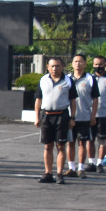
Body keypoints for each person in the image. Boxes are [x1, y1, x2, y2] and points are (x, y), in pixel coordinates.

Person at [35, 56, 75, 184]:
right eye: (52, 66)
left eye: (57, 66)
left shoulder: (68, 81)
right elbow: (38, 100)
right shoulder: (43, 80)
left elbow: (73, 101)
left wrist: (72, 117)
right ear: (48, 67)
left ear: (62, 67)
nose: (54, 68)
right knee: (48, 146)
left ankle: (59, 174)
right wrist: (37, 117)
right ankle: (48, 173)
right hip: (46, 116)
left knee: (61, 146)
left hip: (62, 116)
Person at [66, 53, 100, 178]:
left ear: (85, 64)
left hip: (84, 117)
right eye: (75, 61)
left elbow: (95, 99)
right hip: (69, 117)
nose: (78, 63)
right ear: (72, 64)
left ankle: (81, 168)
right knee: (70, 142)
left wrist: (93, 116)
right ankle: (71, 168)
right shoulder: (67, 79)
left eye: (80, 61)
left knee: (82, 143)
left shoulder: (90, 79)